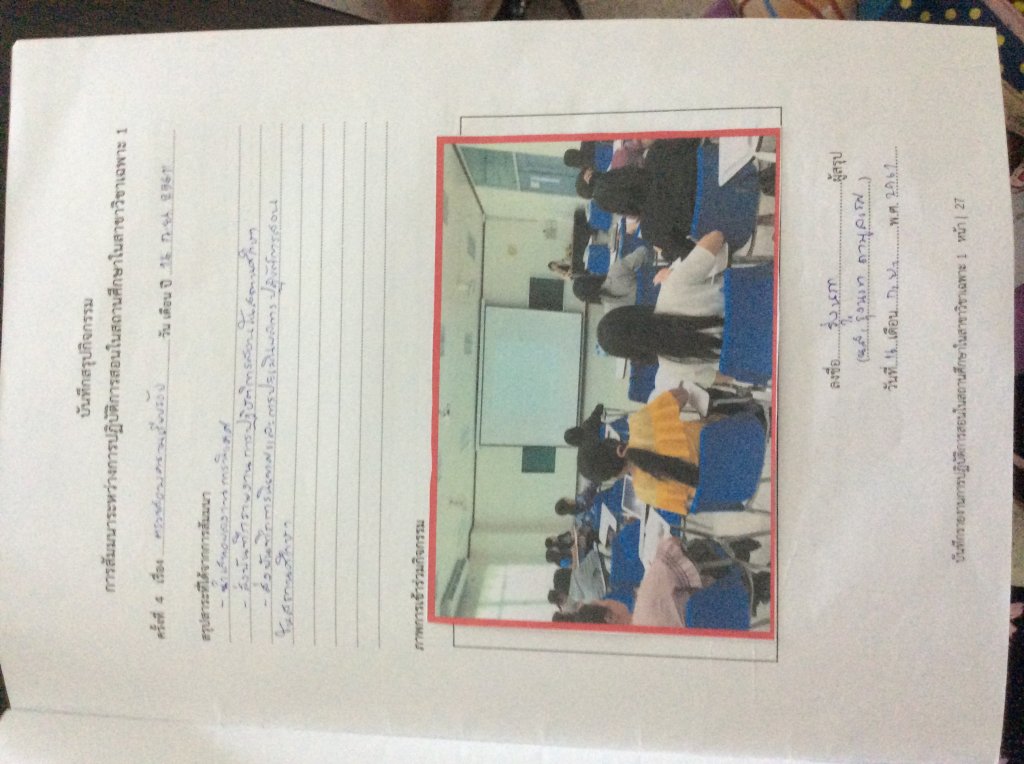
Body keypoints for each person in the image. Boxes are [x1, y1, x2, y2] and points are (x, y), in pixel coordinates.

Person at [571, 245, 655, 313]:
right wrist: (647, 269)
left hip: (656, 313)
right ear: (591, 278)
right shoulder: (615, 271)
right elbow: (644, 251)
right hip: (660, 284)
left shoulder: (610, 313)